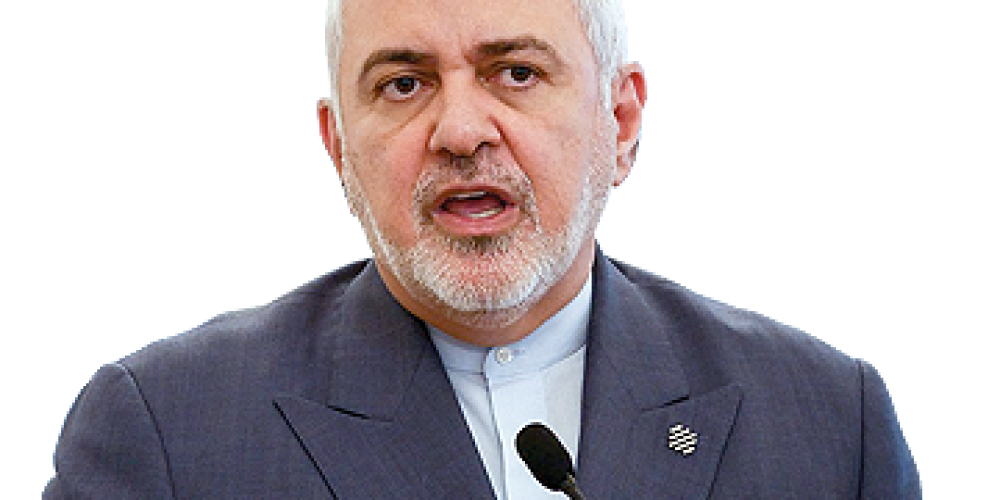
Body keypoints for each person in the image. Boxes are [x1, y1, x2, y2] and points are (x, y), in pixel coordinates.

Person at [43, 0, 921, 498]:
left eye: (517, 72)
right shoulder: (165, 432)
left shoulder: (826, 417)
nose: (461, 131)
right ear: (338, 146)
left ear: (620, 121)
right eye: (404, 83)